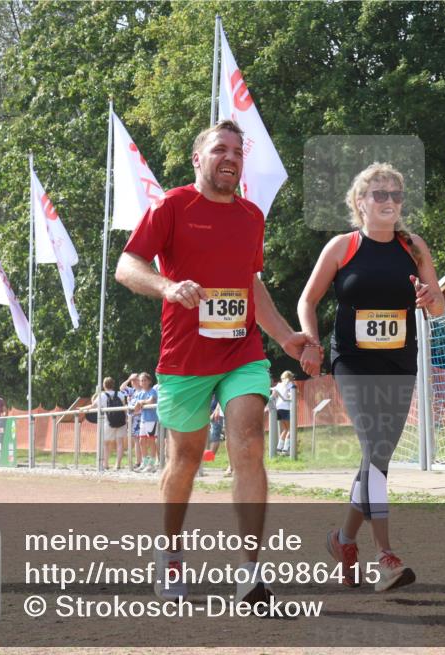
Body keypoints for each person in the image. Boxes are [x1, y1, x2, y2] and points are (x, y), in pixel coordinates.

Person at [114, 119, 316, 605]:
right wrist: (167, 286)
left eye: (238, 152)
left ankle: (250, 571)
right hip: (184, 356)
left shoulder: (250, 216)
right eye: (220, 149)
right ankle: (169, 553)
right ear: (197, 158)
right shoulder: (171, 206)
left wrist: (285, 336)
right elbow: (127, 265)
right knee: (185, 459)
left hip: (241, 352)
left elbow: (252, 284)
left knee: (248, 442)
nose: (231, 158)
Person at [298, 162, 445, 592]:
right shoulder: (343, 247)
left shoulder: (414, 247)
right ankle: (385, 555)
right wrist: (311, 341)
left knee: (377, 458)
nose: (389, 201)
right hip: (353, 362)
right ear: (360, 202)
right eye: (379, 194)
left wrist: (430, 298)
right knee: (374, 448)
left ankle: (343, 540)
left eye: (396, 195)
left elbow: (438, 307)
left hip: (399, 362)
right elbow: (307, 300)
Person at [89, 377, 128, 471]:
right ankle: (117, 464)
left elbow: (93, 406)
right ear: (113, 384)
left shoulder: (102, 396)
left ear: (104, 385)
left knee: (105, 443)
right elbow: (124, 407)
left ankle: (105, 464)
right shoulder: (120, 394)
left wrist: (82, 409)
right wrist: (126, 419)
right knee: (120, 443)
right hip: (121, 421)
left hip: (109, 422)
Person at [131, 372, 159, 472]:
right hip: (143, 419)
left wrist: (141, 402)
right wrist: (139, 404)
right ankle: (145, 462)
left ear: (149, 381)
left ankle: (151, 464)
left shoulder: (152, 391)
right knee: (141, 441)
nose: (143, 382)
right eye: (141, 380)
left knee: (151, 441)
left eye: (145, 380)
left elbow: (151, 400)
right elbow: (135, 408)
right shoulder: (140, 393)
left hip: (152, 419)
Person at [120, 372, 142, 466]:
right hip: (132, 419)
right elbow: (122, 388)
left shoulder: (143, 391)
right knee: (136, 440)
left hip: (139, 418)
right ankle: (138, 461)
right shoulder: (132, 391)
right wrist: (129, 379)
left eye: (135, 380)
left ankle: (140, 462)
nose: (133, 382)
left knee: (141, 440)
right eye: (132, 381)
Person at [271, 371, 296, 454]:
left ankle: (279, 447)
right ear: (290, 377)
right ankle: (285, 448)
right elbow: (292, 394)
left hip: (279, 408)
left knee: (285, 429)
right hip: (286, 408)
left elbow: (274, 395)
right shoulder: (290, 385)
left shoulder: (278, 385)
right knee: (291, 429)